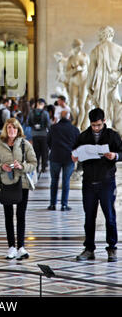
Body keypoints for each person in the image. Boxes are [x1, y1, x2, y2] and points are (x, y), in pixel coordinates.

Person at [72, 108, 122, 262]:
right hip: (88, 182)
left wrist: (115, 156)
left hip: (106, 181)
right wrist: (74, 156)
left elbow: (121, 152)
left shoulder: (112, 135)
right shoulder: (84, 136)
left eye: (99, 125)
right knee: (89, 217)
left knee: (110, 216)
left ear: (104, 121)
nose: (96, 128)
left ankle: (112, 248)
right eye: (93, 125)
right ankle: (89, 249)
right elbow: (75, 153)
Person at [0, 118, 37, 260]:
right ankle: (11, 246)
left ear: (18, 130)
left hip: (22, 184)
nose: (12, 131)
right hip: (6, 183)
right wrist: (1, 167)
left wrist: (22, 166)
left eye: (14, 128)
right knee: (8, 216)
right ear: (6, 129)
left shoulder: (25, 144)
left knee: (21, 215)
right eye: (9, 128)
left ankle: (21, 247)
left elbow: (33, 163)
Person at [47, 110, 80, 211]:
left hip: (55, 157)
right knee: (66, 181)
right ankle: (64, 205)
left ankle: (52, 204)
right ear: (70, 118)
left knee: (54, 181)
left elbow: (48, 142)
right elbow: (78, 144)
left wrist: (54, 149)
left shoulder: (53, 128)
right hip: (69, 158)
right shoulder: (75, 130)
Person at [28, 98, 50, 172]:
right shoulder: (45, 113)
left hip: (34, 135)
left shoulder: (31, 112)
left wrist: (34, 126)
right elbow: (48, 125)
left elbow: (29, 123)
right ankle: (43, 168)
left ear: (37, 104)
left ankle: (36, 168)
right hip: (44, 135)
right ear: (43, 105)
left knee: (36, 152)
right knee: (44, 152)